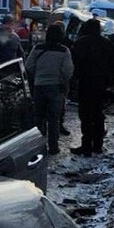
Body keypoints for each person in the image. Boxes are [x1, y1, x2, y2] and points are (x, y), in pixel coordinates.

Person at [69, 19, 114, 156]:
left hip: (85, 83)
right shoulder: (106, 43)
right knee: (98, 114)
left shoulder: (79, 43)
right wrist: (111, 81)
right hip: (101, 84)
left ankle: (86, 145)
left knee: (85, 115)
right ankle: (98, 145)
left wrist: (73, 81)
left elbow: (74, 64)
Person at [25, 24, 73, 154]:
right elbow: (67, 71)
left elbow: (29, 66)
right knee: (54, 119)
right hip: (56, 88)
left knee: (38, 117)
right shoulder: (64, 51)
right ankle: (53, 147)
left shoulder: (37, 48)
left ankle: (36, 147)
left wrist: (38, 75)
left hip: (39, 86)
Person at [52, 20, 72, 136]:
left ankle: (42, 128)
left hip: (42, 81)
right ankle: (59, 126)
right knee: (60, 105)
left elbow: (30, 65)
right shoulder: (66, 46)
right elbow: (68, 68)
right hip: (60, 81)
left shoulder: (40, 46)